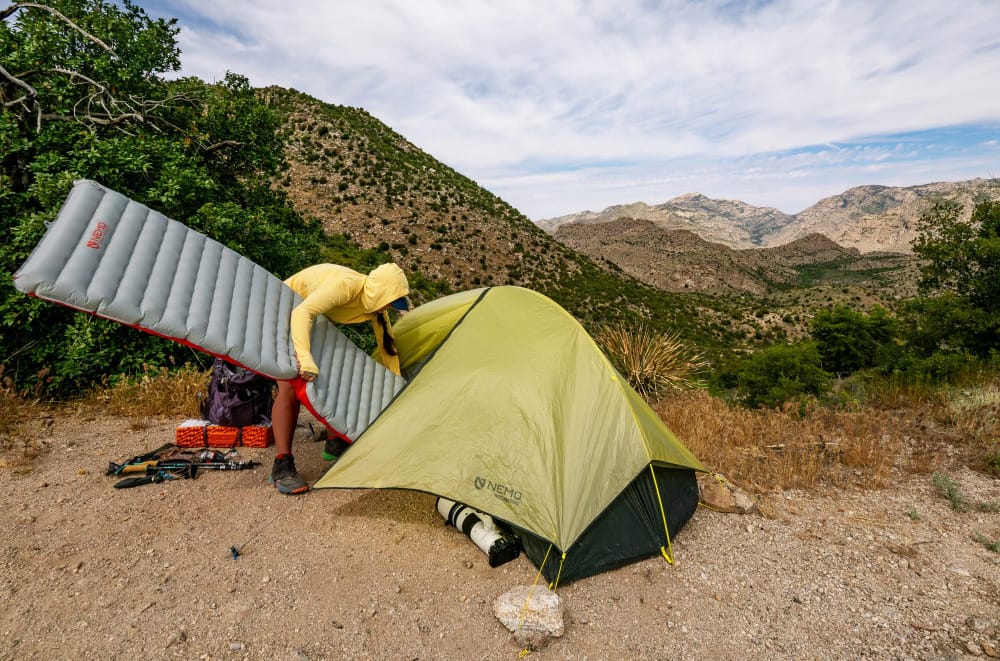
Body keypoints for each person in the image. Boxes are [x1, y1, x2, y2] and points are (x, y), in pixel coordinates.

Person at [270, 263, 410, 495]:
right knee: (290, 388)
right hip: (285, 311)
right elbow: (302, 313)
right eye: (389, 302)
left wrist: (397, 387)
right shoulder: (347, 285)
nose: (389, 307)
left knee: (338, 372)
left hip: (313, 322)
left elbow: (388, 348)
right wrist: (305, 358)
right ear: (378, 292)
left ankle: (334, 443)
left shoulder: (377, 310)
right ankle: (281, 465)